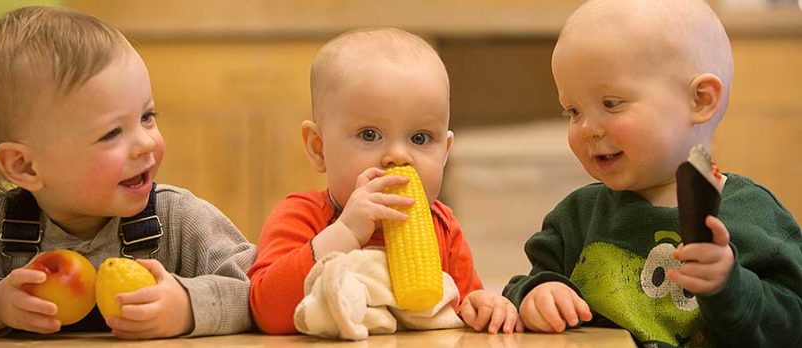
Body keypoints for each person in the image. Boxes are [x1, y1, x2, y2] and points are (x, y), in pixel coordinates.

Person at [0, 6, 255, 339]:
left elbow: (253, 290)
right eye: (111, 134)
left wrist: (187, 307)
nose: (145, 144)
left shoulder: (181, 220)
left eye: (147, 116)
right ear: (25, 166)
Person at [502, 0, 802, 346]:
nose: (587, 128)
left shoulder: (755, 216)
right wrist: (538, 294)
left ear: (701, 101)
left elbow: (791, 324)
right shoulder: (576, 217)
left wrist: (731, 285)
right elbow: (521, 288)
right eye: (572, 111)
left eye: (611, 103)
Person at [248, 27, 519, 335]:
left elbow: (461, 307)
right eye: (369, 135)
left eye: (420, 138)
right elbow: (266, 312)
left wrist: (484, 306)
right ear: (318, 148)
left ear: (445, 153)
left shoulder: (443, 228)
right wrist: (346, 231)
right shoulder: (302, 216)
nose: (398, 156)